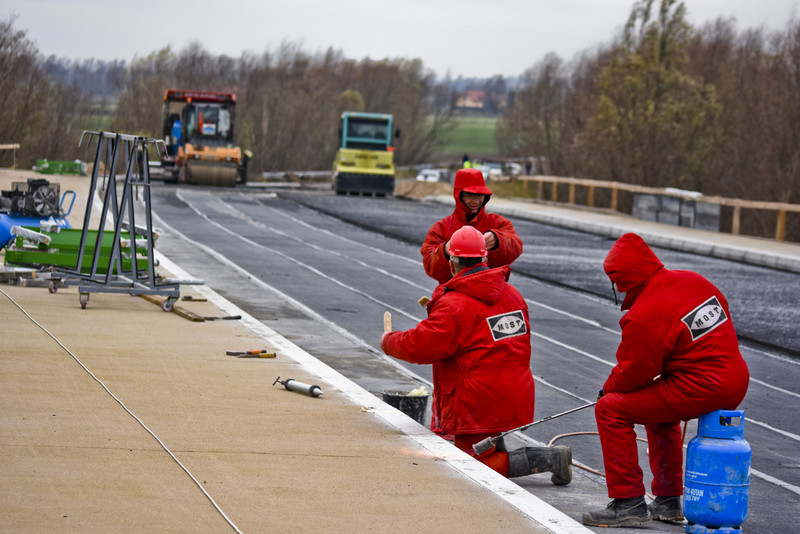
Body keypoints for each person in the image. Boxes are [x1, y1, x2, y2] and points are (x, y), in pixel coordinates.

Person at [582, 233, 750, 528]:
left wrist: (605, 390)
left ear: (622, 281)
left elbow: (634, 372)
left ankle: (628, 502)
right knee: (660, 413)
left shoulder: (644, 314)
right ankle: (668, 500)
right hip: (736, 377)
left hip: (701, 387)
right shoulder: (694, 281)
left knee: (610, 409)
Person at [381, 226, 572, 483]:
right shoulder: (512, 295)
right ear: (485, 259)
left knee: (469, 465)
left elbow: (421, 346)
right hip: (514, 394)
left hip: (478, 402)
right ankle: (500, 447)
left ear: (452, 264)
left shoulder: (455, 305)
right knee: (485, 445)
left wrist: (388, 341)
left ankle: (552, 458)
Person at [421, 168, 522, 285]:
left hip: (491, 293)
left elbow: (516, 246)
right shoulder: (441, 228)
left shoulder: (498, 223)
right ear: (459, 195)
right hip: (455, 294)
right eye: (470, 195)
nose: (476, 201)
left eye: (480, 195)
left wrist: (498, 240)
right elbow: (430, 266)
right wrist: (445, 250)